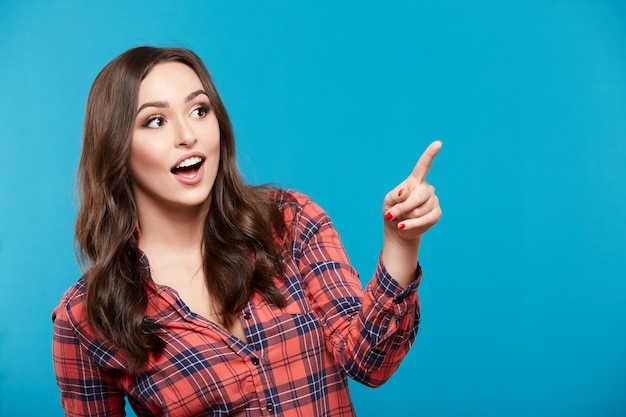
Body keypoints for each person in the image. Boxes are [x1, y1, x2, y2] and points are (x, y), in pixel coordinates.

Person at [52, 46, 442, 417]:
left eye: (199, 110)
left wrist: (401, 242)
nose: (187, 135)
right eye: (156, 120)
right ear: (116, 148)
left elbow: (368, 361)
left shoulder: (289, 221)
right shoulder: (86, 316)